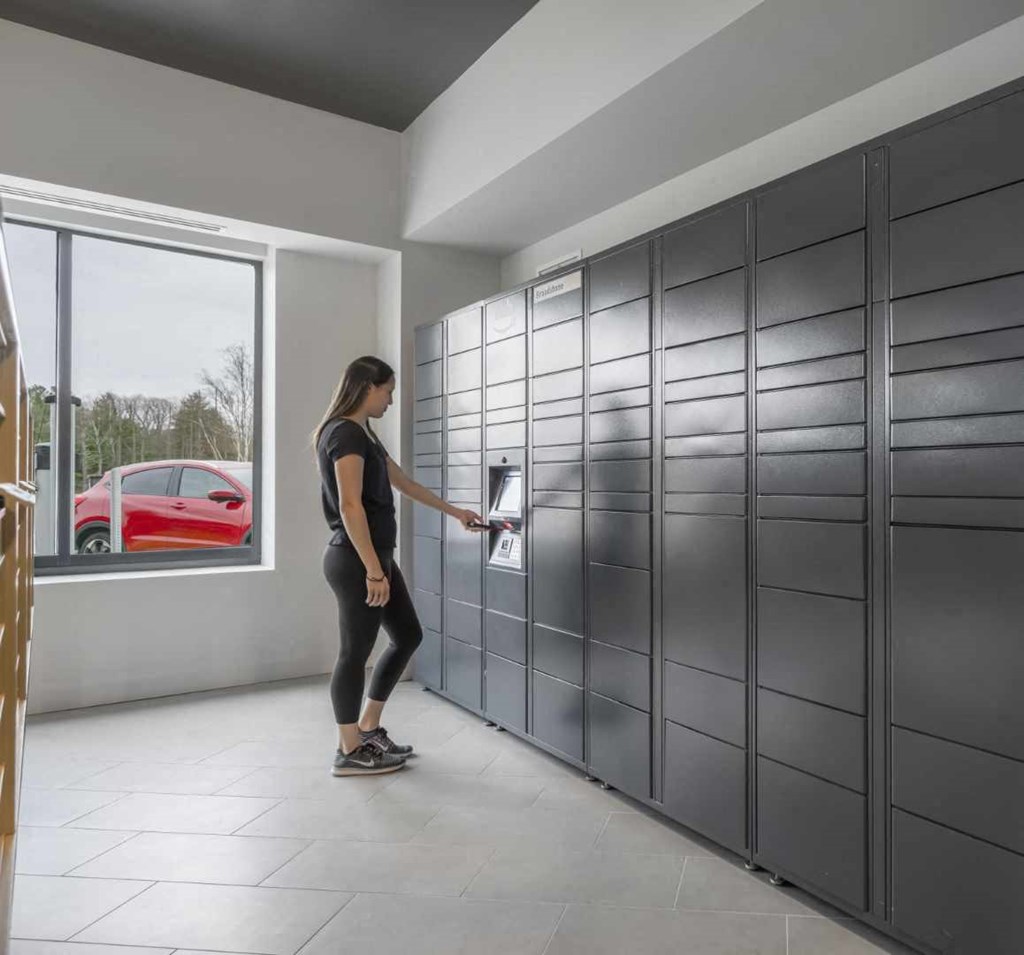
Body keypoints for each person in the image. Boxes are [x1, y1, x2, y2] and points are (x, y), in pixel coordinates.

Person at [314, 355, 485, 776]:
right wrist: (374, 569)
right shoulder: (345, 435)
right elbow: (350, 505)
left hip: (374, 559)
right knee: (354, 652)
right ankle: (348, 750)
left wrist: (455, 511)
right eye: (388, 391)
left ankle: (368, 728)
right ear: (368, 387)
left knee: (407, 634)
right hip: (357, 560)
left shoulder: (364, 434)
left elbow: (403, 482)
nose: (390, 400)